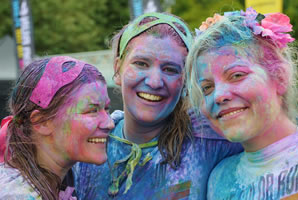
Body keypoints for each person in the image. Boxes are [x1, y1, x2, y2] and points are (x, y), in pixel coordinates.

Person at [73, 12, 242, 199]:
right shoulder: (88, 144)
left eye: (170, 69)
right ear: (117, 68)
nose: (154, 82)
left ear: (185, 81)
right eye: (141, 64)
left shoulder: (212, 141)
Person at [186, 7, 298, 200]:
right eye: (207, 88)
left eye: (237, 75)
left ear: (279, 77)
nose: (219, 96)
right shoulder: (219, 179)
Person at [0, 56, 114, 200]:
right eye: (92, 110)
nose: (109, 123)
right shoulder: (15, 195)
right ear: (42, 122)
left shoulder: (65, 180)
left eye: (107, 108)